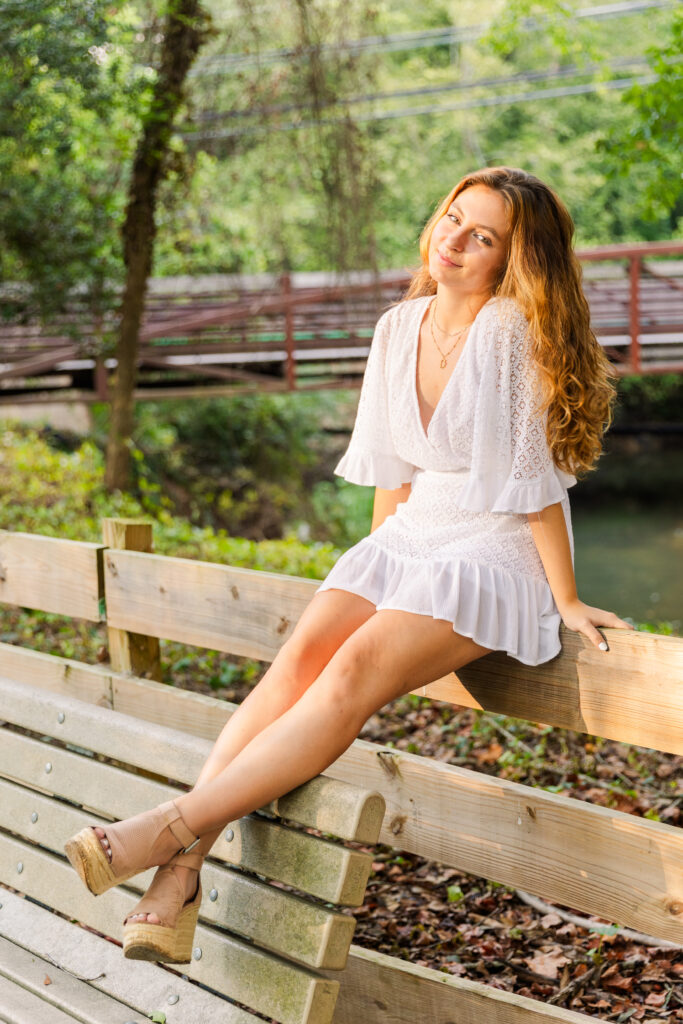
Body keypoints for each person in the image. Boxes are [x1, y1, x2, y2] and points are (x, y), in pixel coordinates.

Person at [65, 165, 635, 964]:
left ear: (513, 260)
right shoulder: (396, 328)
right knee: (296, 663)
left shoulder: (507, 331)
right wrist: (371, 569)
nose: (455, 241)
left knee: (352, 669)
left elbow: (533, 486)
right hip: (412, 534)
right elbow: (392, 477)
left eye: (483, 237)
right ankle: (180, 875)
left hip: (492, 546)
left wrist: (565, 597)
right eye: (451, 218)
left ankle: (170, 831)